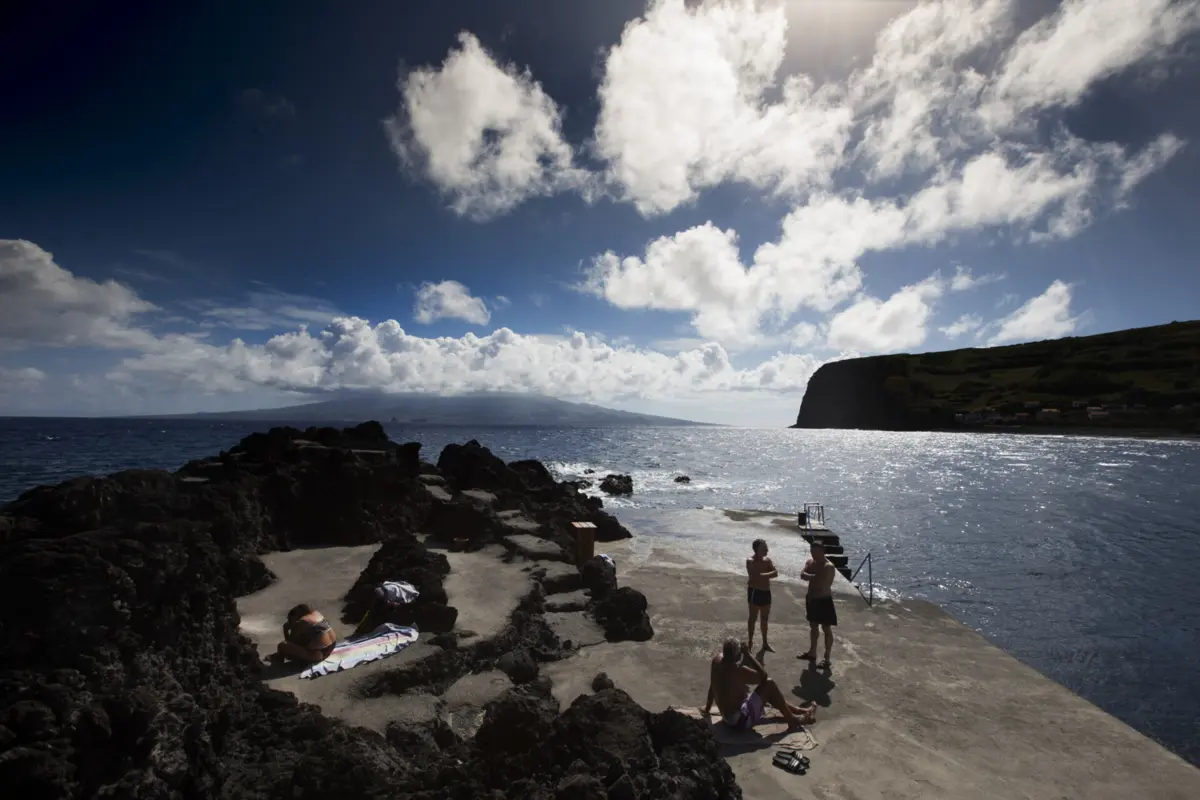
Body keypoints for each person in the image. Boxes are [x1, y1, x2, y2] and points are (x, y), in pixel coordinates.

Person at [702, 638, 815, 732]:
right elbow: (764, 677)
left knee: (764, 692)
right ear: (737, 657)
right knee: (769, 685)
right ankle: (792, 720)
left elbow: (712, 686)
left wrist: (707, 709)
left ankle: (799, 710)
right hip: (739, 723)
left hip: (726, 718)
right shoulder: (737, 670)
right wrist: (748, 654)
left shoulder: (716, 662)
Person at [798, 540, 837, 668]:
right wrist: (812, 576)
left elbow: (821, 582)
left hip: (824, 600)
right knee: (813, 626)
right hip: (812, 599)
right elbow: (802, 575)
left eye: (815, 552)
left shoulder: (828, 567)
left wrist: (810, 576)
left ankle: (827, 658)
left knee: (826, 628)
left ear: (822, 552)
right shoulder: (810, 563)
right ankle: (812, 652)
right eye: (811, 551)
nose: (813, 554)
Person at [745, 539, 777, 653]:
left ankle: (765, 643)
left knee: (764, 619)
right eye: (764, 548)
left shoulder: (767, 560)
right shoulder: (750, 561)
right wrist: (768, 574)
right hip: (755, 591)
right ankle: (750, 642)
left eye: (766, 547)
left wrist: (763, 575)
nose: (767, 550)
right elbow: (754, 576)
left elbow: (776, 573)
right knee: (753, 618)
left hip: (766, 592)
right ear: (756, 549)